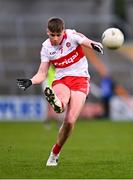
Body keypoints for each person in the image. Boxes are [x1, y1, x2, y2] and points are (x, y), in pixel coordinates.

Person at [17, 17, 103, 166]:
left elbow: (85, 41)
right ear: (47, 32)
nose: (56, 38)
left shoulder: (71, 35)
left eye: (59, 35)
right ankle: (58, 103)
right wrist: (31, 80)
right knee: (61, 102)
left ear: (63, 31)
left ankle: (54, 153)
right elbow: (42, 73)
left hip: (81, 80)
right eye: (52, 35)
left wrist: (94, 45)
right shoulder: (46, 48)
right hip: (61, 79)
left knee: (69, 121)